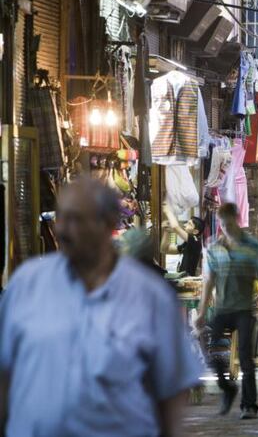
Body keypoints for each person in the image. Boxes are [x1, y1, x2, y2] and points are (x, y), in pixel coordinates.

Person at [0, 177, 202, 436]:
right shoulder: (26, 285)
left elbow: (171, 390)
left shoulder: (149, 296)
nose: (62, 229)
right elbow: (5, 373)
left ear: (107, 224)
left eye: (76, 219)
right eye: (61, 218)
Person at [195, 203, 258, 419]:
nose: (225, 227)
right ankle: (227, 388)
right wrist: (201, 312)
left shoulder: (253, 246)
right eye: (221, 224)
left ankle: (249, 405)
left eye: (227, 223)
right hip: (222, 309)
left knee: (246, 358)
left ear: (236, 219)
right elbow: (208, 282)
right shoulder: (214, 248)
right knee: (213, 353)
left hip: (245, 309)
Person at [161, 203, 205, 276]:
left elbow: (175, 227)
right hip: (182, 279)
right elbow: (164, 249)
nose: (185, 225)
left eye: (189, 224)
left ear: (195, 231)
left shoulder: (195, 241)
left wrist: (168, 211)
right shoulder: (187, 243)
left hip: (187, 281)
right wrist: (166, 231)